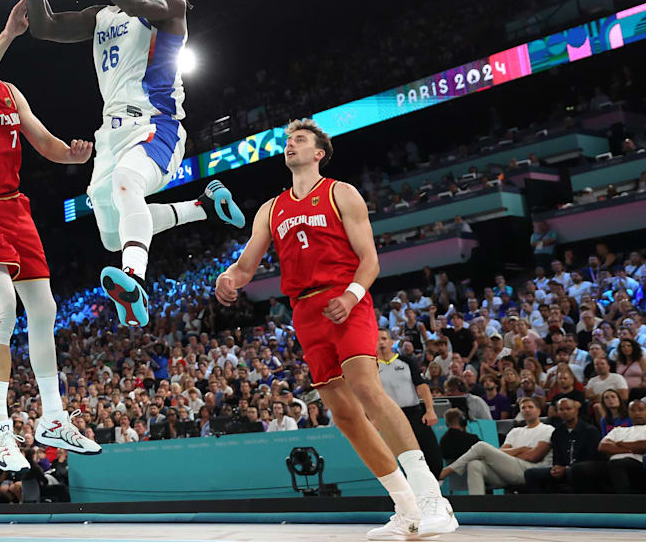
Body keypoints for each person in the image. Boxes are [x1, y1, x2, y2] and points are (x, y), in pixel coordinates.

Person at [215, 119, 455, 539]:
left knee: (367, 389)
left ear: (319, 152)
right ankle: (406, 507)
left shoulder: (341, 192)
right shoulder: (271, 209)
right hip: (305, 312)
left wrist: (351, 295)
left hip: (346, 298)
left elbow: (371, 260)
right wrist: (229, 278)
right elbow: (247, 264)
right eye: (288, 141)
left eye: (300, 140)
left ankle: (433, 497)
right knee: (344, 414)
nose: (291, 146)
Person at [24, 0, 241, 326]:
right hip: (110, 133)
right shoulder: (101, 15)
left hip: (156, 123)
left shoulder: (170, 2)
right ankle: (203, 206)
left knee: (127, 187)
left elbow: (136, 2)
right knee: (111, 233)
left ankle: (134, 281)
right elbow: (43, 26)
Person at [0, 1, 103, 472]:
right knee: (4, 308)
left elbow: (44, 141)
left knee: (45, 308)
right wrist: (7, 34)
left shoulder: (10, 92)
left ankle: (52, 416)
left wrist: (71, 157)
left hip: (15, 207)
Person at [439, 397, 553, 494]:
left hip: (532, 471)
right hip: (510, 470)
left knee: (481, 447)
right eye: (523, 408)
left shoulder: (548, 429)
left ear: (538, 411)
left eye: (530, 407)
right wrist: (521, 449)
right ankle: (477, 509)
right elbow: (500, 452)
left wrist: (509, 455)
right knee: (474, 464)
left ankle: (447, 471)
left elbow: (533, 457)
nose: (526, 410)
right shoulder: (515, 431)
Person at [375, 329, 442, 477]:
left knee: (432, 454)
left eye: (384, 339)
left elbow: (422, 386)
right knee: (407, 457)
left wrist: (430, 410)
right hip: (392, 417)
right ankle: (415, 491)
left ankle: (436, 484)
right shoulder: (372, 367)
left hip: (415, 413)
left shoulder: (407, 362)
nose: (381, 342)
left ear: (391, 342)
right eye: (377, 339)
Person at [523, 397, 602, 493]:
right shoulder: (557, 433)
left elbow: (593, 457)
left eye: (568, 409)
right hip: (564, 468)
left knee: (575, 470)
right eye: (561, 409)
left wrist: (567, 468)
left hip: (584, 468)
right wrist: (556, 467)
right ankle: (540, 506)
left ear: (576, 411)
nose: (564, 412)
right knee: (531, 473)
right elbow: (557, 457)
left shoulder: (590, 430)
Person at [575, 398, 646, 493]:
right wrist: (630, 449)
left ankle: (625, 500)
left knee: (617, 463)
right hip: (612, 463)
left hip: (638, 464)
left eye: (641, 410)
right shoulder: (619, 430)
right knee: (579, 468)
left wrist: (620, 444)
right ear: (628, 413)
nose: (637, 413)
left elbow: (643, 446)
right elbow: (603, 446)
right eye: (633, 410)